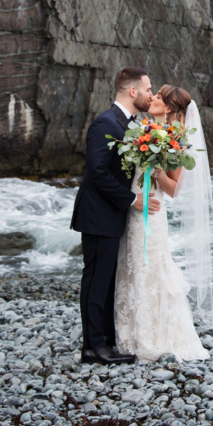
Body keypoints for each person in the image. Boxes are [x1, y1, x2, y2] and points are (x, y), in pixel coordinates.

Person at [113, 85, 213, 362]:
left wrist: (156, 170)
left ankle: (154, 335)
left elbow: (173, 190)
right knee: (129, 265)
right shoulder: (143, 128)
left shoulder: (177, 138)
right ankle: (127, 333)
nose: (152, 98)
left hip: (153, 211)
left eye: (158, 96)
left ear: (168, 107)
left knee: (150, 268)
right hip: (132, 205)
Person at [70, 66, 160, 365]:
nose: (151, 94)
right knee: (96, 280)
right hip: (98, 215)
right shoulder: (105, 123)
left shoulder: (127, 123)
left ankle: (105, 339)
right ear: (132, 91)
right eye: (148, 89)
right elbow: (97, 172)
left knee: (106, 279)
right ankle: (93, 347)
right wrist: (132, 199)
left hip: (110, 215)